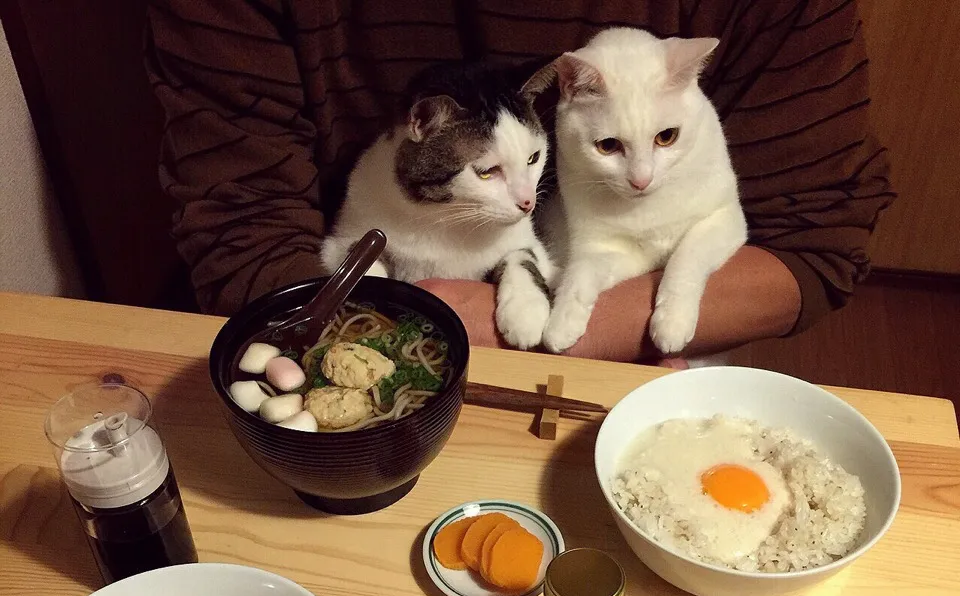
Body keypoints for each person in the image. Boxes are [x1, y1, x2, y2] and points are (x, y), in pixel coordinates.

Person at [145, 1, 892, 363]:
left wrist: (538, 327)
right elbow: (237, 229)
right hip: (342, 338)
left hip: (613, 343)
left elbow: (816, 245)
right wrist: (396, 344)